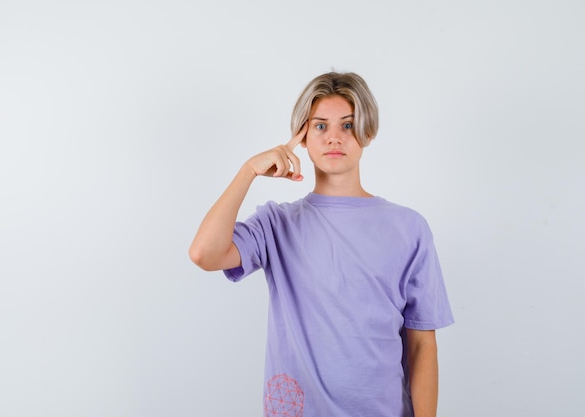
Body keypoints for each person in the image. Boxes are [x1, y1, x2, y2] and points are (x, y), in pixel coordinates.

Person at [189, 72, 454, 417]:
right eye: (319, 126)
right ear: (302, 136)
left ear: (368, 132)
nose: (334, 138)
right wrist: (248, 171)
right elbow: (204, 253)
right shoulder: (276, 225)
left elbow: (422, 345)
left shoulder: (409, 228)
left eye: (347, 125)